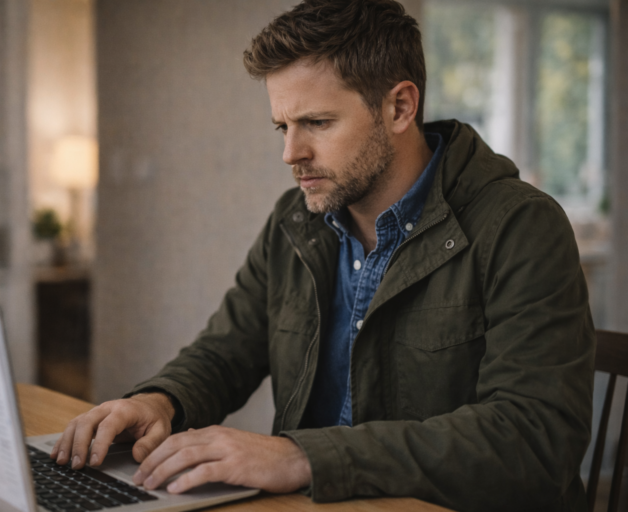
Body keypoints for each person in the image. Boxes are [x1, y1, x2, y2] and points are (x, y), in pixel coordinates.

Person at [52, 1, 595, 510]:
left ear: (400, 107)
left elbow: (536, 439)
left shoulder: (521, 226)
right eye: (282, 127)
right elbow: (225, 351)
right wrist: (160, 401)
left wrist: (303, 455)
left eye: (317, 123)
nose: (291, 154)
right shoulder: (295, 220)